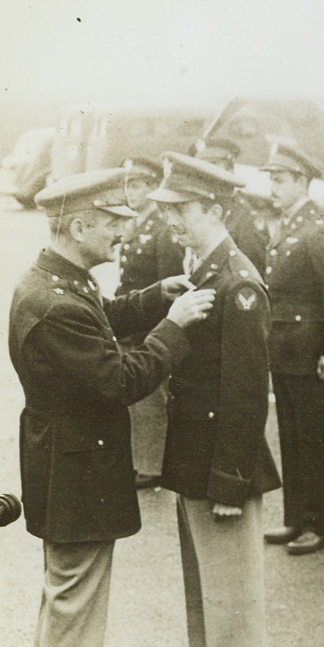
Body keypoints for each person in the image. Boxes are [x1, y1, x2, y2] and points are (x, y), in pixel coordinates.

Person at [9, 168, 213, 647]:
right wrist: (175, 326)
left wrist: (154, 299)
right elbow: (121, 379)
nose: (124, 235)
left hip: (65, 462)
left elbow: (105, 314)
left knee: (64, 596)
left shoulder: (57, 282)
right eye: (114, 224)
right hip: (77, 468)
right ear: (79, 225)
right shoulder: (57, 302)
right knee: (75, 600)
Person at [150, 152, 280, 647]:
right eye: (170, 210)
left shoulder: (238, 283)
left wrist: (230, 482)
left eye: (182, 210)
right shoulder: (200, 270)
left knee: (233, 599)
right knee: (203, 594)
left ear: (214, 209)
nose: (172, 220)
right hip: (193, 459)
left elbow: (247, 393)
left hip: (221, 468)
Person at [259, 142, 324, 556]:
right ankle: (297, 517)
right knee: (294, 437)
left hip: (310, 355)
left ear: (302, 182)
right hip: (286, 352)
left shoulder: (317, 230)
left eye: (280, 181)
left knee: (315, 441)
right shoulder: (289, 225)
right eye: (272, 180)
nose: (273, 188)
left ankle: (322, 524)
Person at [116, 155, 183, 489]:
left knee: (152, 397)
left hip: (149, 322)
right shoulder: (135, 222)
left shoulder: (161, 227)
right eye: (128, 184)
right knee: (139, 399)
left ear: (153, 186)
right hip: (132, 316)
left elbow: (167, 283)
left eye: (138, 184)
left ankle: (153, 465)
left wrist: (157, 329)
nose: (130, 191)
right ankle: (141, 460)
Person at [190, 138, 272, 273]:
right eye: (200, 167)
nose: (202, 174)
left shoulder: (246, 219)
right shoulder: (202, 209)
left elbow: (253, 276)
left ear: (229, 170)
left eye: (212, 165)